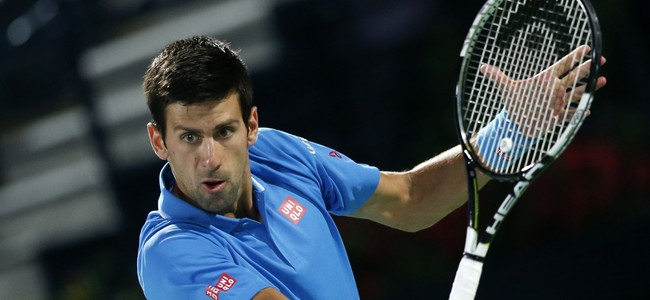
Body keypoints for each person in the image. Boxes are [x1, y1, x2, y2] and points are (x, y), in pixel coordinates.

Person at [136, 36, 606, 299]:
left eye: (224, 132)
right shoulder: (169, 254)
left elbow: (409, 200)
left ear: (252, 126)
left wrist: (513, 129)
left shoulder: (277, 155)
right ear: (160, 141)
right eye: (189, 138)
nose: (210, 158)